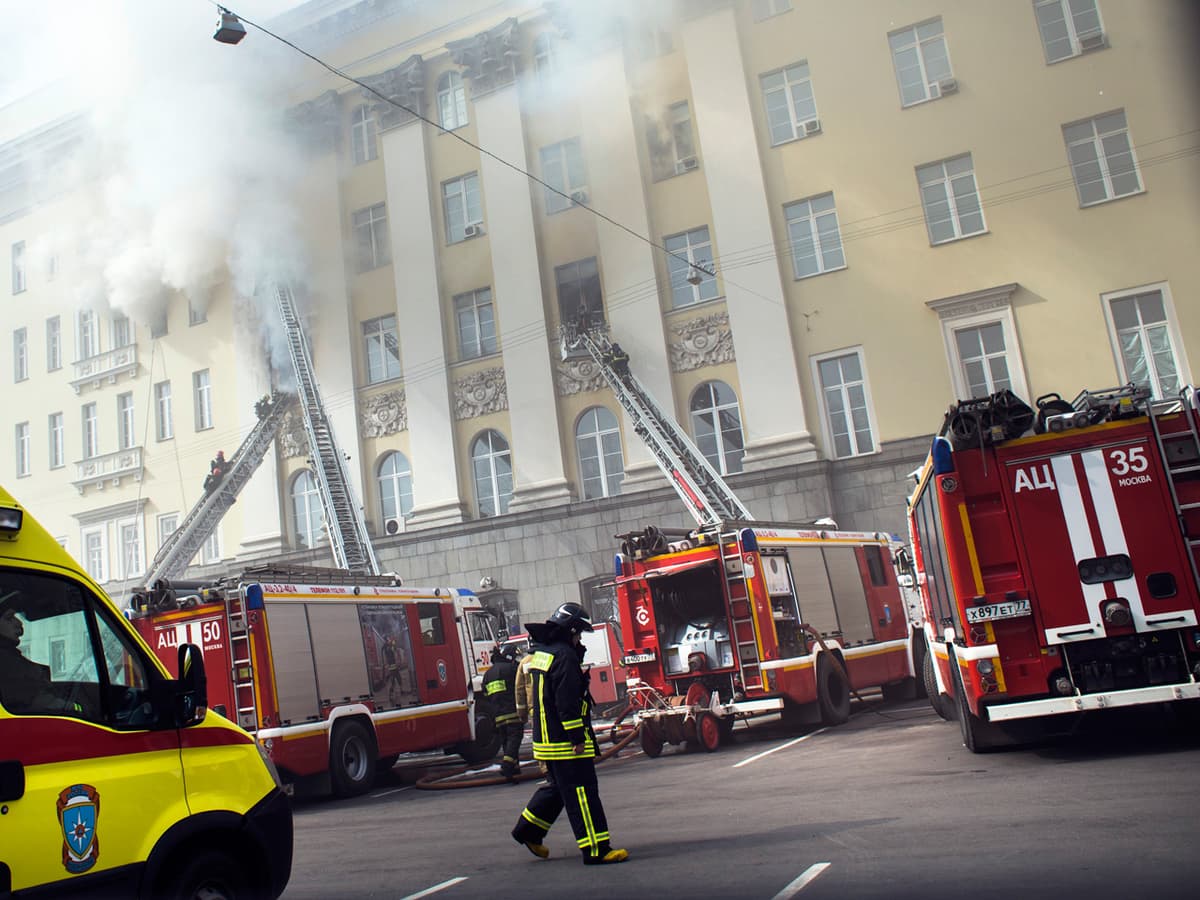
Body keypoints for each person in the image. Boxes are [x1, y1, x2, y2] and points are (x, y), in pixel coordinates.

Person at [511, 602, 628, 866]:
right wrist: (577, 737)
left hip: (546, 741)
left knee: (559, 790)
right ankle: (597, 849)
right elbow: (566, 702)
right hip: (565, 743)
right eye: (579, 634)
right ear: (571, 630)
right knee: (583, 794)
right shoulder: (564, 656)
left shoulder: (543, 652)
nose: (580, 639)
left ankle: (528, 831)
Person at [0, 594, 59, 714]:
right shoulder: (7, 663)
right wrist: (76, 708)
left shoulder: (10, 657)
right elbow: (41, 701)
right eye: (9, 618)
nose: (19, 623)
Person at [481, 641, 522, 780]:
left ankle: (514, 767)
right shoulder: (511, 669)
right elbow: (520, 688)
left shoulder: (488, 674)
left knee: (506, 741)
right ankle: (508, 765)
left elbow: (485, 695)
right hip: (512, 712)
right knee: (514, 739)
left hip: (497, 715)